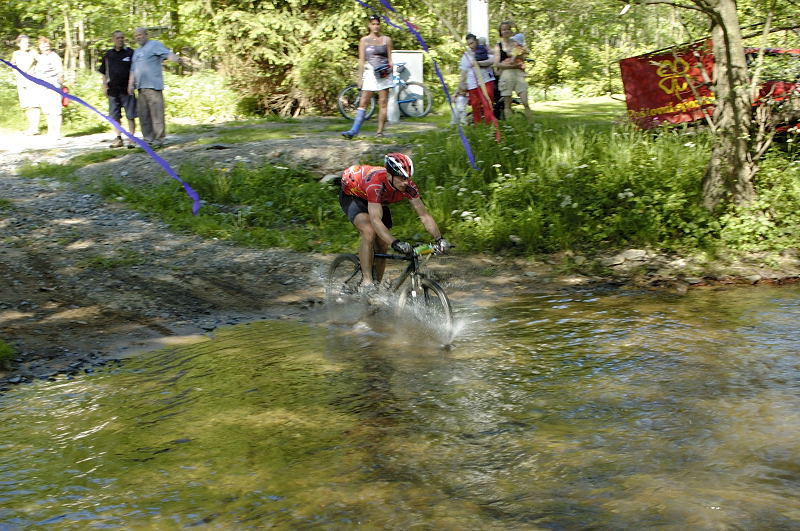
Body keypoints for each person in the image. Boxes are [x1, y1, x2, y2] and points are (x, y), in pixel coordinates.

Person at [338, 152, 451, 292]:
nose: (406, 182)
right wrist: (395, 242)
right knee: (369, 231)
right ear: (389, 175)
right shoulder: (376, 184)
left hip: (377, 200)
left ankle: (376, 287)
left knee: (382, 245)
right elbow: (375, 220)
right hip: (353, 194)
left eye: (408, 178)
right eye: (402, 178)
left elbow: (424, 215)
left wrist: (439, 239)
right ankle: (367, 281)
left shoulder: (408, 187)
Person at [127, 27, 183, 149]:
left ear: (146, 35)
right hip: (140, 88)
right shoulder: (136, 52)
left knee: (156, 113)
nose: (138, 37)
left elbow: (167, 53)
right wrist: (130, 84)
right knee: (143, 115)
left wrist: (176, 59)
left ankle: (159, 139)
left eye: (140, 34)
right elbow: (133, 69)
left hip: (153, 86)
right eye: (136, 35)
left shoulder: (154, 45)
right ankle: (148, 139)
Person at [342, 14, 393, 139]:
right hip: (370, 71)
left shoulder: (387, 40)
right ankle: (354, 130)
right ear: (369, 25)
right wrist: (360, 78)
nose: (375, 26)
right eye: (373, 24)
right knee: (364, 101)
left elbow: (391, 59)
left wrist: (390, 70)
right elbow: (361, 60)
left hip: (384, 73)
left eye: (377, 24)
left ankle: (380, 132)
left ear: (380, 25)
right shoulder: (364, 40)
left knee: (383, 102)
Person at [99, 30, 137, 148]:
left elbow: (135, 70)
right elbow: (104, 72)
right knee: (114, 116)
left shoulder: (130, 53)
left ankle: (132, 138)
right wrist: (104, 85)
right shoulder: (108, 55)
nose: (120, 40)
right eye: (117, 38)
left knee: (130, 115)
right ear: (113, 40)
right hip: (113, 90)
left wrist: (132, 84)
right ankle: (118, 138)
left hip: (127, 89)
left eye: (122, 38)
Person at [494, 21, 533, 121]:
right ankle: (510, 126)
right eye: (503, 30)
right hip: (506, 75)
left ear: (511, 31)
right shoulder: (498, 46)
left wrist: (518, 57)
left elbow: (525, 55)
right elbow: (497, 63)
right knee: (507, 104)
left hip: (519, 75)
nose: (506, 31)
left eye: (508, 29)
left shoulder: (517, 44)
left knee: (525, 102)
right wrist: (510, 65)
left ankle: (532, 125)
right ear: (500, 32)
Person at [458, 33, 497, 125]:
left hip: (486, 80)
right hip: (472, 84)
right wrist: (460, 85)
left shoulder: (484, 50)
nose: (471, 46)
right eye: (469, 44)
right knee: (475, 105)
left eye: (472, 43)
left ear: (476, 41)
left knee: (487, 103)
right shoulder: (466, 55)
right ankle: (478, 126)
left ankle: (489, 125)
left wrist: (478, 63)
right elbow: (464, 71)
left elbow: (492, 61)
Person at [32, 36, 64, 140]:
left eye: (47, 45)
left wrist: (61, 85)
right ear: (40, 47)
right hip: (42, 88)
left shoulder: (54, 57)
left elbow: (60, 72)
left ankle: (57, 133)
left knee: (56, 109)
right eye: (43, 45)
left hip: (54, 86)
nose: (45, 47)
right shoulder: (40, 57)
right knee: (47, 110)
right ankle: (51, 132)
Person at [11, 35, 39, 135]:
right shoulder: (16, 54)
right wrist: (16, 73)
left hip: (32, 81)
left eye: (28, 42)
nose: (27, 44)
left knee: (34, 104)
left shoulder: (33, 53)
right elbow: (12, 64)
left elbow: (41, 62)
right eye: (24, 42)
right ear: (19, 44)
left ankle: (35, 128)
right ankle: (31, 127)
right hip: (21, 82)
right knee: (26, 105)